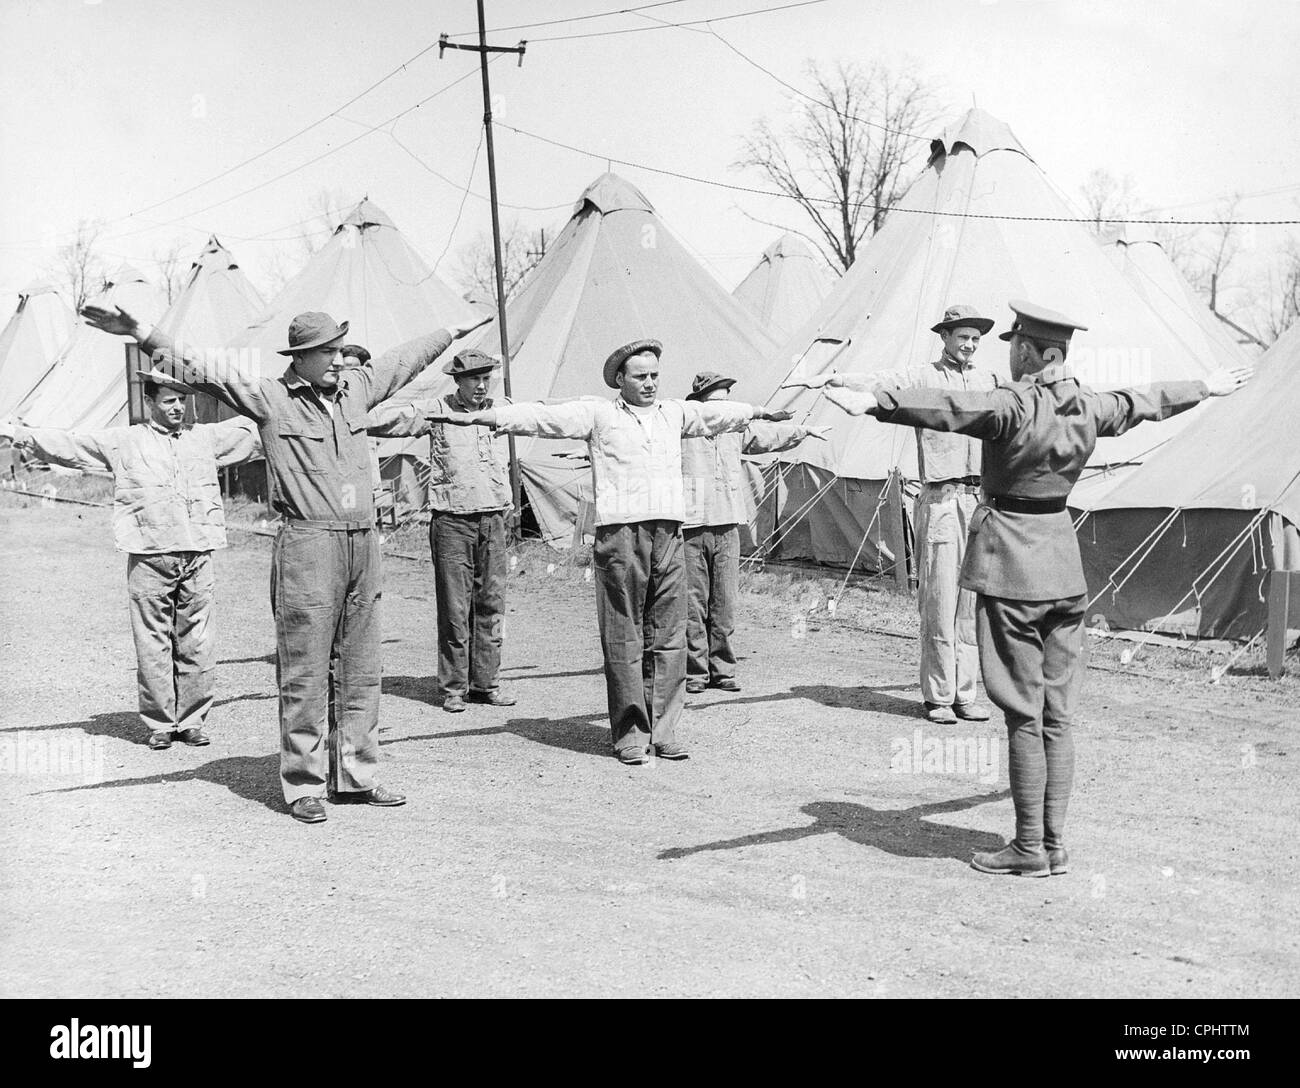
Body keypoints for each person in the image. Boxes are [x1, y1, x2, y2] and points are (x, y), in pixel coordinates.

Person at [820, 300, 1252, 876]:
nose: (1009, 354)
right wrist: (1205, 387)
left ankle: (1027, 848)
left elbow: (952, 407)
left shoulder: (1012, 404)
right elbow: (1143, 402)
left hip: (1011, 568)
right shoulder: (1089, 406)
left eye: (1015, 346)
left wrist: (878, 403)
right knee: (1057, 716)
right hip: (1063, 567)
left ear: (1033, 351)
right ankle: (1053, 844)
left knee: (1023, 714)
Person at [80, 302, 492, 823]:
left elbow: (403, 360)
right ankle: (303, 784)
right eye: (329, 352)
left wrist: (453, 328)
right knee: (305, 668)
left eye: (342, 350)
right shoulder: (271, 399)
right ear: (301, 357)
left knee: (362, 667)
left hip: (363, 542)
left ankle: (357, 775)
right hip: (308, 543)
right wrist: (141, 331)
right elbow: (206, 369)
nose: (341, 360)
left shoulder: (357, 390)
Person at [424, 339, 797, 766]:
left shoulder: (673, 413)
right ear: (620, 379)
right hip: (620, 538)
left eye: (655, 375)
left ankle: (665, 730)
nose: (651, 383)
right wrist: (482, 417)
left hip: (670, 534)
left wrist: (761, 411)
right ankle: (630, 735)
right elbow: (545, 417)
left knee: (670, 636)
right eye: (641, 376)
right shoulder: (599, 414)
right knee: (624, 636)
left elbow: (718, 413)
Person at [1, 376, 260, 749]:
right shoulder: (124, 442)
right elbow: (71, 446)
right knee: (153, 641)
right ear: (150, 402)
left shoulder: (204, 439)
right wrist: (15, 433)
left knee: (197, 641)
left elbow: (260, 430)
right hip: (149, 555)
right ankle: (160, 724)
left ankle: (191, 721)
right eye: (169, 400)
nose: (177, 408)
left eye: (182, 401)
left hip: (197, 552)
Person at [782, 304, 998, 724]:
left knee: (971, 603)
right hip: (939, 499)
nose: (969, 345)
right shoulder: (924, 376)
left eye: (975, 338)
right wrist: (836, 379)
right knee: (939, 599)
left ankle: (965, 693)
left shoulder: (988, 381)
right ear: (945, 338)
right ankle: (938, 696)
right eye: (962, 337)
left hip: (978, 502)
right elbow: (882, 381)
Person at [365, 348, 515, 713]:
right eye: (473, 379)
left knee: (493, 606)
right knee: (454, 608)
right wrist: (349, 412)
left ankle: (486, 682)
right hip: (452, 522)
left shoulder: (502, 410)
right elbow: (392, 420)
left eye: (485, 378)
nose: (481, 386)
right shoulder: (437, 411)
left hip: (494, 520)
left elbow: (545, 416)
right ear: (458, 381)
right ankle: (453, 687)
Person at [680, 370, 826, 693]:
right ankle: (695, 672)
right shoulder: (684, 431)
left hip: (728, 525)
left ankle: (722, 669)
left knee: (725, 603)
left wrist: (804, 431)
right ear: (700, 404)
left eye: (727, 401)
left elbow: (767, 437)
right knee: (693, 604)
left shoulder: (735, 431)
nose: (724, 409)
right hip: (690, 527)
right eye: (717, 402)